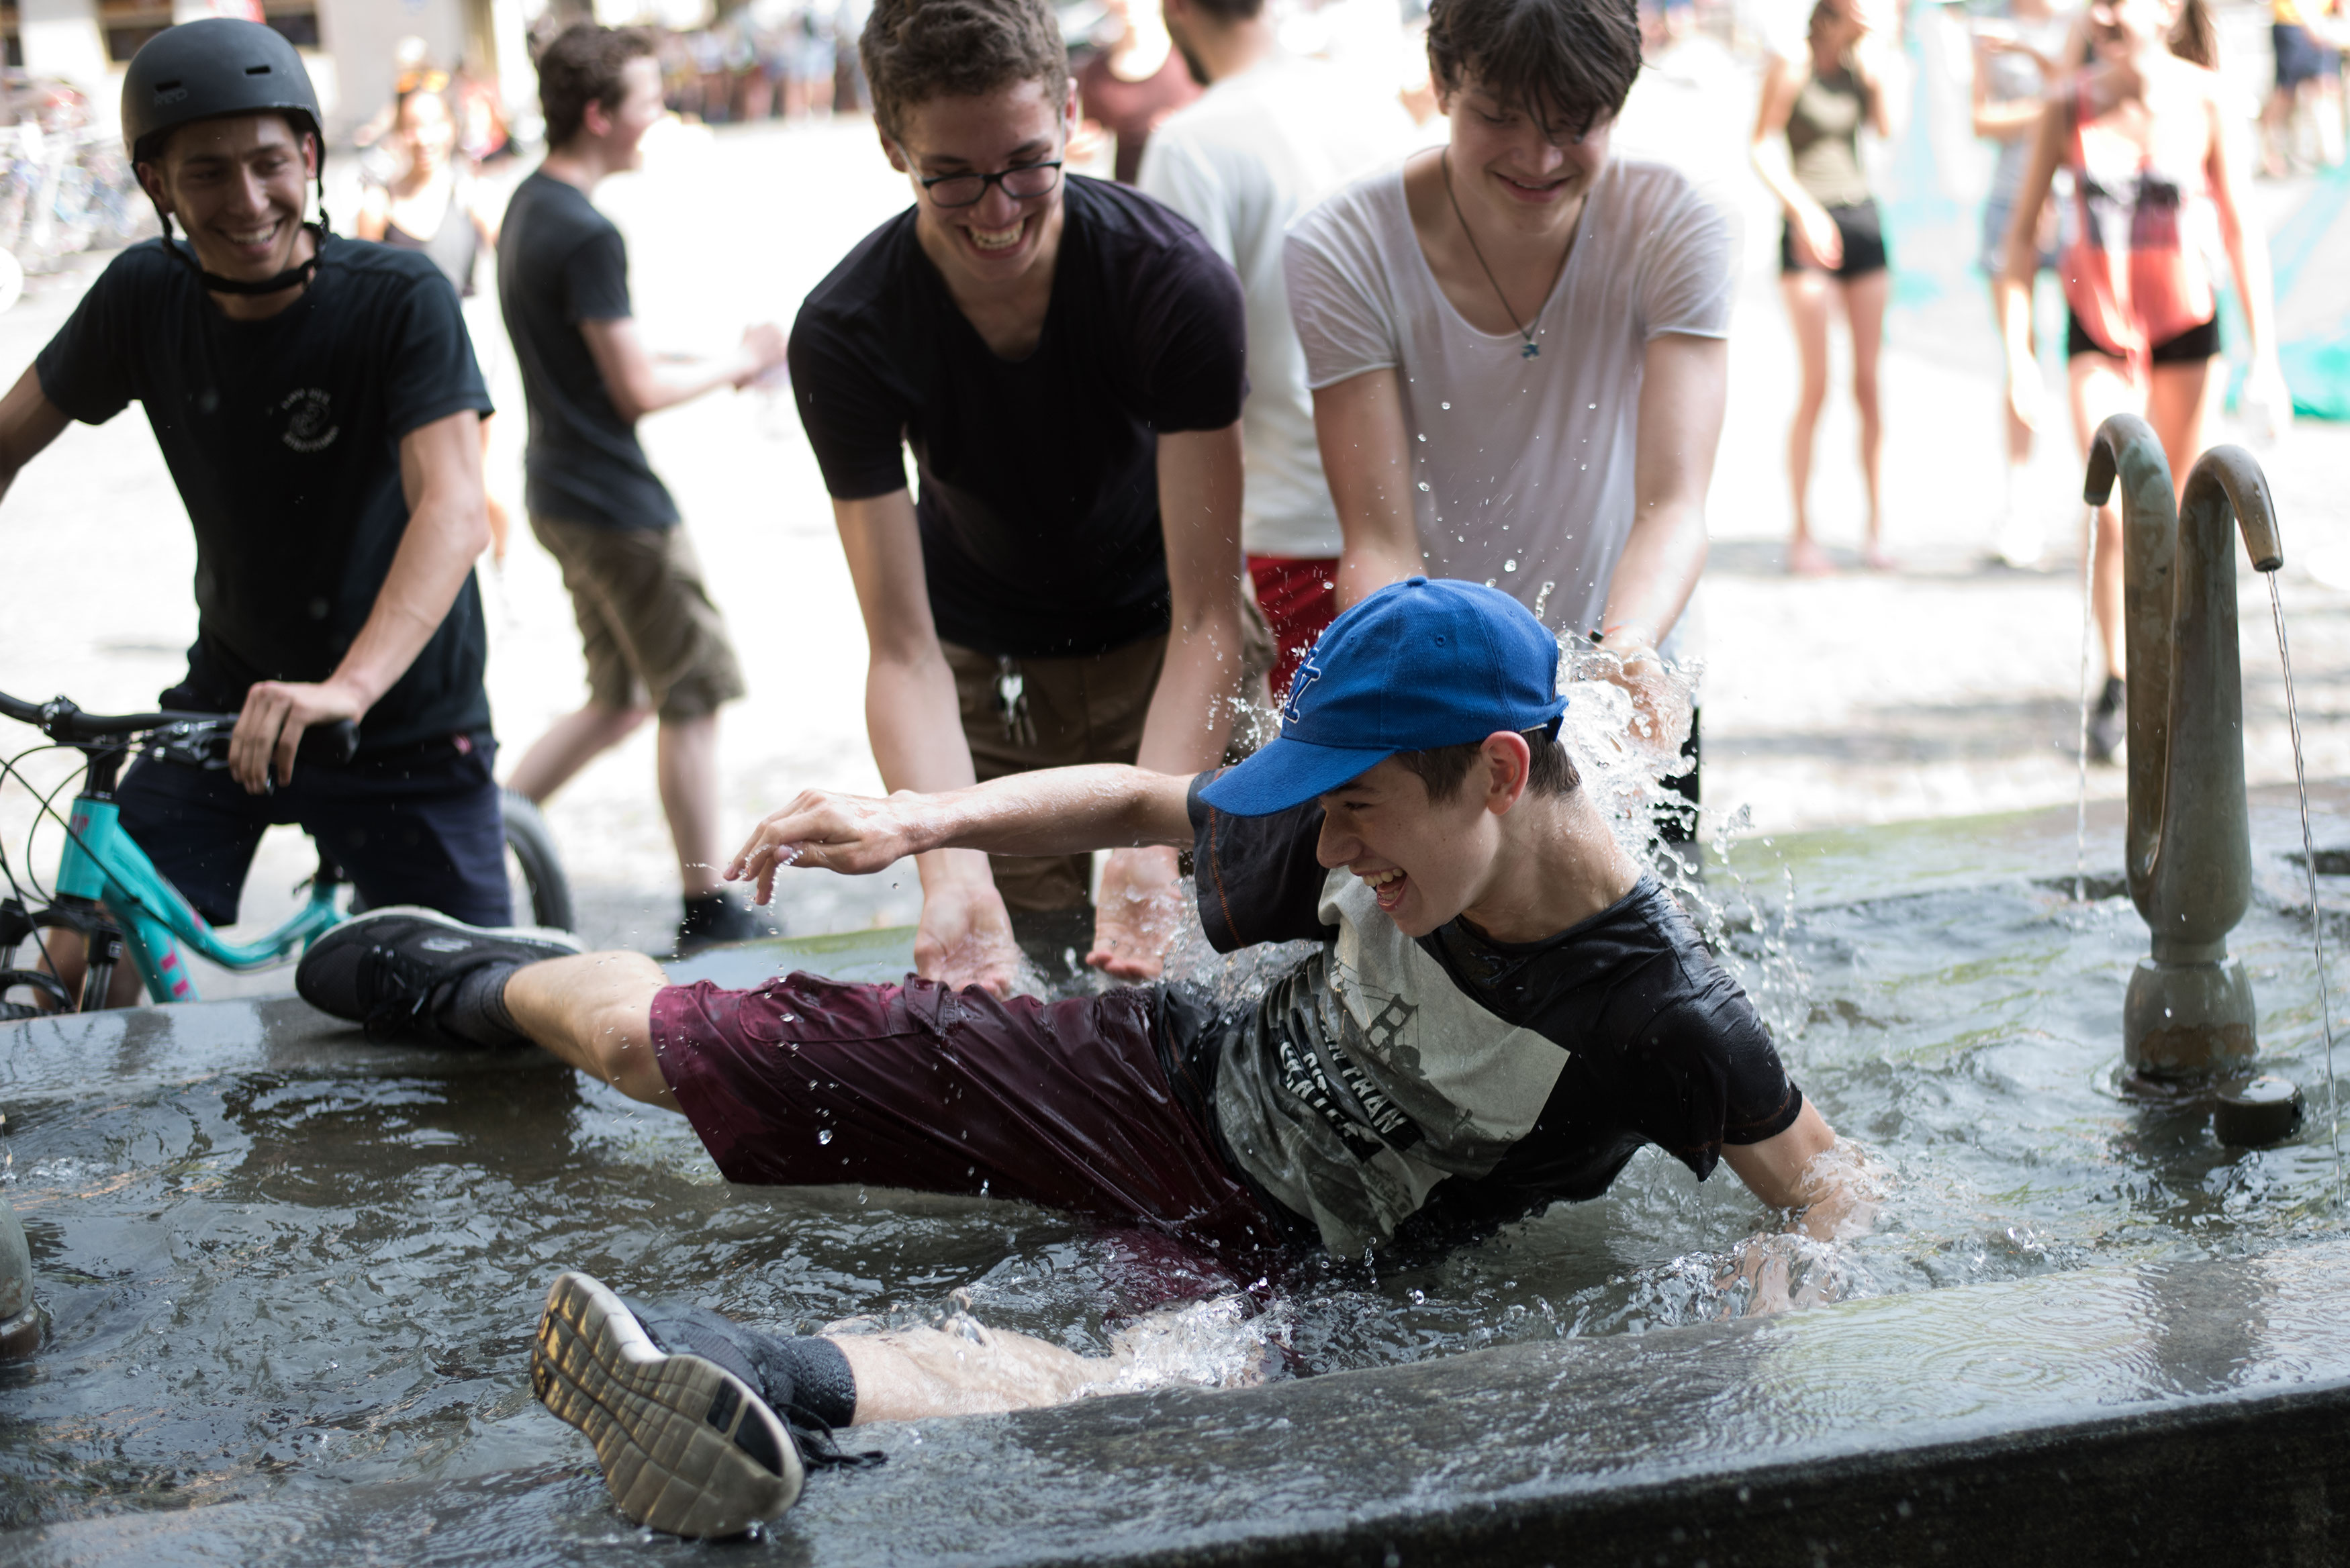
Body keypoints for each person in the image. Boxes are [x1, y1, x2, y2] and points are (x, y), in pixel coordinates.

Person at [291, 577, 1859, 1540]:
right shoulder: (1396, 811)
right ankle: (489, 978)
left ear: (1501, 775)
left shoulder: (1667, 1014)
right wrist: (923, 819)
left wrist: (1773, 1288)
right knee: (653, 1041)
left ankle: (754, 1377)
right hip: (1156, 1075)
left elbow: (1839, 1185)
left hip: (1307, 1245)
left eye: (1357, 811)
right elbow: (1147, 801)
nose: (1325, 843)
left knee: (1162, 1385)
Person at [0, 19, 504, 1003]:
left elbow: (453, 508)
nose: (247, 200)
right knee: (79, 970)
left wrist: (349, 690)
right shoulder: (143, 294)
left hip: (400, 713)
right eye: (207, 173)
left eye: (271, 162)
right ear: (156, 186)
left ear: (310, 156)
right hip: (234, 698)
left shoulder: (396, 297)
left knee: (494, 1015)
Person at [786, 0, 1251, 993]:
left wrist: (1152, 834)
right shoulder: (847, 329)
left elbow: (1213, 614)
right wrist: (947, 871)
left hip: (1169, 637)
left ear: (1073, 111)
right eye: (948, 175)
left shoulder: (1171, 283)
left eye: (1027, 164)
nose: (997, 211)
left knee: (1211, 953)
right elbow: (903, 650)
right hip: (985, 664)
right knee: (1016, 975)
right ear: (890, 145)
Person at [1284, 0, 1730, 837]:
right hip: (1443, 694)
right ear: (1442, 82)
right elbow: (1378, 541)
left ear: (1618, 103)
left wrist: (1625, 647)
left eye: (1575, 124)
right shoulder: (1340, 242)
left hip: (1629, 656)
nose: (1539, 157)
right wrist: (1424, 687)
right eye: (1499, 116)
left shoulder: (1679, 222)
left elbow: (1673, 503)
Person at [496, 24, 790, 955]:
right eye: (645, 99)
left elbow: (605, 364)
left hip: (558, 490)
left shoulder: (530, 207)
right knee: (691, 692)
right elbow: (634, 388)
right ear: (599, 114)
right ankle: (709, 906)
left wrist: (719, 362)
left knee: (618, 699)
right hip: (617, 505)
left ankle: (475, 830)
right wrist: (744, 361)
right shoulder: (584, 229)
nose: (656, 115)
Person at [1995, 0, 2290, 762]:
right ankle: (2119, 677)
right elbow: (2017, 244)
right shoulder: (2069, 103)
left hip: (2185, 332)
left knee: (2187, 511)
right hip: (2095, 331)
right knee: (2121, 509)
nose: (2099, 12)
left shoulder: (2209, 99)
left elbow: (2240, 228)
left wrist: (2267, 358)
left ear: (2166, 9)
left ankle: (2175, 671)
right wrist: (2017, 357)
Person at [1137, 0, 1417, 696]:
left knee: (1316, 791)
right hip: (1403, 513)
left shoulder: (1190, 143)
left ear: (1175, 11)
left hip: (1284, 527)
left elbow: (1176, 363)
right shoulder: (1372, 110)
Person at [1750, 0, 1897, 577]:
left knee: (1869, 383)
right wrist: (1804, 212)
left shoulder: (1864, 67)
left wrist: (1881, 61)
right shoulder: (1793, 64)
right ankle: (1803, 533)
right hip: (1808, 227)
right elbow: (1762, 144)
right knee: (1817, 384)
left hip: (1862, 221)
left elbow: (1887, 129)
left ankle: (1876, 527)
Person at [355, 78, 511, 558]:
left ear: (450, 128)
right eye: (411, 126)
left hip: (471, 346)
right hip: (406, 354)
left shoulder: (471, 194)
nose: (422, 137)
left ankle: (500, 570)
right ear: (397, 134)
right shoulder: (378, 204)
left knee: (480, 476)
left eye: (432, 124)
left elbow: (516, 262)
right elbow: (357, 290)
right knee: (428, 482)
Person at [1972, 0, 2077, 569]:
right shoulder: (1989, 25)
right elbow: (1982, 120)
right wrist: (2054, 107)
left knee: (2093, 349)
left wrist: (2038, 83)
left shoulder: (2086, 18)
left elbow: (2085, 97)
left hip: (2081, 204)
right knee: (2019, 358)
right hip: (2012, 201)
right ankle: (2020, 503)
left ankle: (2102, 502)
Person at [1077, 0, 1203, 182]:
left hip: (1193, 182)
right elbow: (1091, 141)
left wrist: (1179, 127)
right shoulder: (1095, 75)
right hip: (1137, 195)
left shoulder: (1193, 53)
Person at [2261, 0, 2345, 177]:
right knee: (2286, 93)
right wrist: (2311, 21)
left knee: (2326, 85)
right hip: (2292, 21)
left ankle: (2327, 150)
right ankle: (2270, 151)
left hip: (2322, 21)